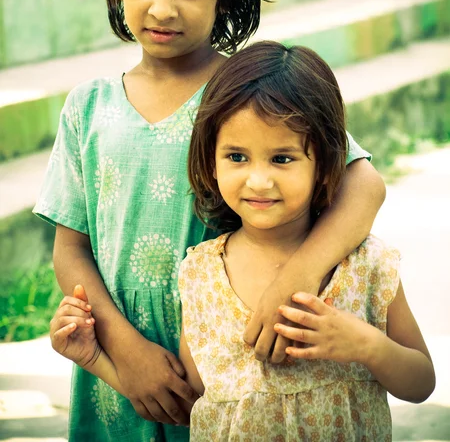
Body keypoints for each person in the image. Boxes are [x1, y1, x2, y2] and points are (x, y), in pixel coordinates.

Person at [36, 0, 385, 441]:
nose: (163, 7)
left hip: (231, 361)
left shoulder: (247, 90)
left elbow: (364, 185)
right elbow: (70, 249)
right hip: (119, 372)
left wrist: (292, 281)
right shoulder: (88, 107)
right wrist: (127, 355)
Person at [51, 42, 434, 441]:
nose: (258, 180)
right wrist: (95, 358)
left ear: (325, 165)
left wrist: (367, 345)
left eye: (282, 159)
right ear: (210, 162)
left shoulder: (365, 265)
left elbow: (421, 382)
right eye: (236, 157)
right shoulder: (202, 275)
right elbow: (190, 400)